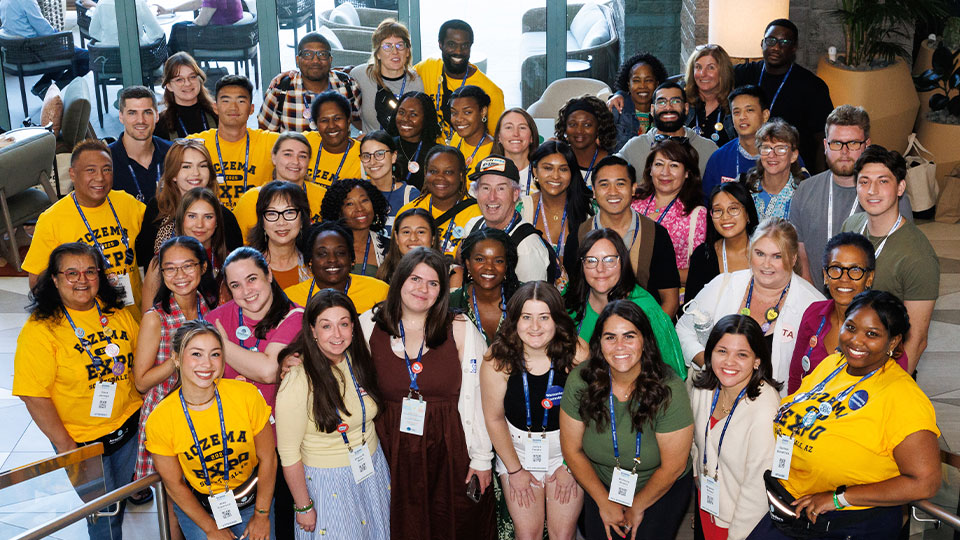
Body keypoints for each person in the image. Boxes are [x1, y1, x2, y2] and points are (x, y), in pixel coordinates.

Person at [756, 290, 940, 539]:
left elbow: (925, 482)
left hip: (848, 522)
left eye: (872, 334)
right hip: (792, 507)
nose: (856, 340)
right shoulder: (832, 365)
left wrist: (839, 498)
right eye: (851, 327)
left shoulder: (904, 397)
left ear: (894, 342)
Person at [360, 247, 496, 539]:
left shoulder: (459, 328)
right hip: (389, 451)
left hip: (449, 449)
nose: (423, 289)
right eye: (415, 279)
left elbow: (480, 397)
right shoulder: (368, 324)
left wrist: (481, 458)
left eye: (433, 283)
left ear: (442, 291)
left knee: (452, 525)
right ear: (399, 282)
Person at [14, 242, 142, 540]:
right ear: (55, 280)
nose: (82, 280)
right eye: (71, 273)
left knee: (118, 501)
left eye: (89, 271)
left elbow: (138, 361)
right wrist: (67, 448)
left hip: (128, 428)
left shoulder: (115, 312)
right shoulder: (40, 330)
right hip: (82, 441)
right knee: (102, 517)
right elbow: (34, 395)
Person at [559, 300, 694, 540]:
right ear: (599, 343)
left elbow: (673, 467)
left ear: (645, 340)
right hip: (601, 484)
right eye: (610, 337)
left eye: (629, 336)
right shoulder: (581, 380)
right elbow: (571, 449)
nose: (619, 346)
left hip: (661, 486)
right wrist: (604, 502)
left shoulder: (668, 388)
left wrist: (638, 506)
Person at [144, 320, 276, 540]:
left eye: (215, 354)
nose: (207, 364)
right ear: (176, 358)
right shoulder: (160, 419)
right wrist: (210, 528)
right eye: (196, 354)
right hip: (200, 509)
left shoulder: (246, 396)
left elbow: (268, 458)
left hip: (253, 502)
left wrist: (262, 515)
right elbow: (174, 484)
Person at [275, 289, 391, 539]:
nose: (337, 335)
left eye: (344, 324)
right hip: (328, 482)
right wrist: (303, 505)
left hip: (372, 469)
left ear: (353, 327)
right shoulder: (297, 378)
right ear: (313, 331)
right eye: (326, 326)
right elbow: (288, 454)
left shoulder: (358, 358)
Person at [208, 246, 304, 537]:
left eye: (252, 279)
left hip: (280, 444)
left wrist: (221, 345)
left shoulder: (295, 316)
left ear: (270, 275)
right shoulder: (216, 318)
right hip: (231, 443)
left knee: (280, 524)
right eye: (236, 285)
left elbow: (267, 371)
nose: (246, 291)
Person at [480, 282, 588, 540]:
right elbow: (494, 418)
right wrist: (515, 471)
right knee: (528, 534)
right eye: (527, 317)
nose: (535, 327)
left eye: (544, 317)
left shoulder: (577, 351)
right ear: (515, 320)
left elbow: (591, 414)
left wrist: (571, 465)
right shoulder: (498, 358)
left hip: (567, 452)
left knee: (563, 534)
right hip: (517, 452)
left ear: (557, 320)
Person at [677, 218, 824, 395]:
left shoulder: (813, 305)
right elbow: (683, 329)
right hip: (716, 396)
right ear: (749, 253)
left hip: (775, 410)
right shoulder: (723, 284)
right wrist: (710, 365)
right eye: (759, 253)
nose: (766, 264)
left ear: (793, 259)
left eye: (777, 256)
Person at [133, 236, 217, 536]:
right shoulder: (156, 317)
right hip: (167, 414)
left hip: (205, 411)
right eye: (170, 269)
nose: (179, 276)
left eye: (188, 266)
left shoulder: (210, 306)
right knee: (174, 491)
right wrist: (178, 358)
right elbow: (141, 381)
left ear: (203, 266)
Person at [792, 105, 913, 291]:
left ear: (867, 145)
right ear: (825, 145)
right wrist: (812, 299)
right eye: (836, 143)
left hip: (870, 305)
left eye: (853, 143)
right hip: (817, 301)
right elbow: (800, 249)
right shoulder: (805, 189)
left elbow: (903, 256)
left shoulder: (890, 195)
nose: (844, 152)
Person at [840, 145, 938, 374]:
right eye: (864, 181)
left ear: (900, 187)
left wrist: (890, 386)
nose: (872, 190)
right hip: (847, 356)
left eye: (883, 181)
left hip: (887, 370)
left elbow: (917, 339)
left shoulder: (918, 255)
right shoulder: (851, 226)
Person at [23, 140, 146, 313]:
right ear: (72, 174)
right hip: (85, 322)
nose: (100, 177)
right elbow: (37, 282)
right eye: (91, 170)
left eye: (107, 169)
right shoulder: (52, 219)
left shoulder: (127, 203)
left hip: (132, 316)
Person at [689, 314, 781, 540]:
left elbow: (758, 487)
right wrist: (697, 475)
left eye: (742, 355)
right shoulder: (703, 386)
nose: (729, 362)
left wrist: (738, 535)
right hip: (706, 505)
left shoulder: (765, 407)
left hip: (740, 522)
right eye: (722, 351)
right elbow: (695, 442)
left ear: (757, 361)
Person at [788, 232, 909, 393]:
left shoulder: (885, 326)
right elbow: (797, 377)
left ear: (869, 278)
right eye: (836, 268)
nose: (844, 278)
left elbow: (895, 393)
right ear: (825, 275)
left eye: (855, 270)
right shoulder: (813, 314)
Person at [565, 229, 686, 379]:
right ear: (581, 265)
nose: (600, 269)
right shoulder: (569, 301)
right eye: (591, 260)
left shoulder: (646, 310)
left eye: (609, 260)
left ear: (623, 262)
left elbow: (673, 376)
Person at [136, 140, 242, 310]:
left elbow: (236, 263)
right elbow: (144, 257)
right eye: (186, 166)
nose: (196, 173)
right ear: (173, 174)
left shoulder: (224, 217)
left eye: (202, 166)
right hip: (165, 304)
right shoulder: (157, 208)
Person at [579, 155, 680, 317]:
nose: (613, 192)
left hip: (646, 328)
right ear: (594, 191)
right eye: (604, 184)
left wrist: (647, 337)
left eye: (620, 184)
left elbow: (670, 301)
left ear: (633, 188)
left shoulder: (656, 235)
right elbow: (574, 298)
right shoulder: (580, 235)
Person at [733, 19, 833, 173]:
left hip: (793, 169)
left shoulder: (813, 87)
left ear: (794, 48)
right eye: (771, 40)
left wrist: (819, 181)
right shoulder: (743, 74)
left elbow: (822, 140)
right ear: (762, 43)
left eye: (784, 42)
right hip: (746, 164)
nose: (776, 47)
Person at [188, 75, 279, 210]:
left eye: (241, 101)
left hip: (257, 222)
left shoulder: (271, 142)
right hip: (210, 222)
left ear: (251, 108)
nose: (233, 108)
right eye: (226, 101)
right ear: (215, 107)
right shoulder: (196, 144)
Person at [463, 154, 551, 283]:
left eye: (501, 188)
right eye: (485, 188)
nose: (492, 197)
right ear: (476, 193)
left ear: (515, 194)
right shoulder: (472, 226)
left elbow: (532, 300)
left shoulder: (526, 249)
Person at [631, 139, 707, 285]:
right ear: (650, 169)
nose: (665, 172)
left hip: (672, 295)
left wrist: (649, 274)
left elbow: (696, 272)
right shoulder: (633, 204)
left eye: (673, 165)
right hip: (630, 294)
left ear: (687, 173)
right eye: (659, 164)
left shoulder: (695, 214)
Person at [415, 19, 505, 142]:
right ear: (440, 44)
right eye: (452, 44)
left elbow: (498, 141)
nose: (458, 51)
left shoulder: (491, 91)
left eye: (464, 45)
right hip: (430, 153)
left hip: (469, 157)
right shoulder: (426, 68)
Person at [519, 141, 595, 282]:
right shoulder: (521, 209)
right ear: (535, 171)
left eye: (563, 169)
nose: (555, 176)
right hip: (532, 296)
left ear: (572, 172)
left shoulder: (590, 209)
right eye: (548, 168)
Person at [260, 32, 361, 132]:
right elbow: (265, 139)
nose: (315, 61)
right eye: (307, 54)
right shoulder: (279, 91)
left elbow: (362, 123)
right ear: (297, 60)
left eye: (322, 54)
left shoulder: (348, 86)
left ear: (330, 60)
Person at [234, 132, 328, 238]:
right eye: (287, 154)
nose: (295, 161)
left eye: (302, 156)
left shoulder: (323, 196)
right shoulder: (251, 199)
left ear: (309, 161)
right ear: (274, 157)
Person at [285, 221, 390, 314]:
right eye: (322, 254)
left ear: (352, 259)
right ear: (310, 260)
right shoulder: (290, 298)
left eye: (340, 253)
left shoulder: (379, 292)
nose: (332, 259)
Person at [617, 82, 717, 179]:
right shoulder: (634, 147)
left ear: (686, 108)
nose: (668, 107)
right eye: (661, 102)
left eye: (675, 101)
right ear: (652, 109)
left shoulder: (708, 150)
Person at [396, 146, 482, 256]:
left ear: (461, 175)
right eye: (433, 171)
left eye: (448, 172)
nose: (440, 177)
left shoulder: (478, 214)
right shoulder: (408, 211)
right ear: (426, 173)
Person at [685, 182, 760, 303]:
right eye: (718, 210)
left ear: (748, 214)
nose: (725, 217)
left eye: (733, 209)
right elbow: (691, 307)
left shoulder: (767, 252)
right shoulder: (702, 256)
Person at [0, 0, 89, 98]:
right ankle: (51, 89)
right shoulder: (26, 1)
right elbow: (44, 30)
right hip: (33, 52)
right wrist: (60, 37)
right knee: (89, 57)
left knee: (68, 52)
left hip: (17, 52)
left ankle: (41, 85)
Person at [349, 18, 425, 133]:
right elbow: (351, 115)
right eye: (387, 46)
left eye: (400, 45)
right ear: (378, 53)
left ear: (408, 52)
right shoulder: (359, 76)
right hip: (372, 148)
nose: (395, 52)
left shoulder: (417, 82)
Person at [450, 228, 520, 345]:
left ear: (507, 265)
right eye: (480, 259)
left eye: (498, 261)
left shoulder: (525, 298)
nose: (489, 267)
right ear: (468, 263)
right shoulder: (452, 302)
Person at [701, 85, 771, 201]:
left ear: (765, 115)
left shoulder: (782, 154)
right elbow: (707, 203)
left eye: (749, 110)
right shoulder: (719, 158)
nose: (742, 117)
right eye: (736, 112)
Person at [108, 86, 171, 203]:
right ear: (121, 117)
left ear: (157, 116)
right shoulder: (106, 161)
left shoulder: (172, 153)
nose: (141, 120)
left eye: (147, 112)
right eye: (132, 113)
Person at [247, 181, 312, 289]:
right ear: (262, 221)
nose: (281, 222)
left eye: (289, 212)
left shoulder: (314, 265)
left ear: (302, 219)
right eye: (272, 213)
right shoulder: (247, 264)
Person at [319, 178, 389, 277]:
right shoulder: (324, 247)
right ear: (338, 212)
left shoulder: (390, 248)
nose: (360, 208)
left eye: (364, 200)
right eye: (350, 204)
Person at [174, 187, 241, 284]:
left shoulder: (231, 261)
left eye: (208, 217)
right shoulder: (162, 259)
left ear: (217, 221)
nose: (199, 225)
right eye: (192, 216)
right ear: (181, 219)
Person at [360, 130, 421, 236]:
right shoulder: (357, 193)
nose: (372, 161)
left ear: (393, 156)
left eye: (379, 154)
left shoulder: (410, 196)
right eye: (366, 156)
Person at [742, 118, 803, 220]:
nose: (772, 155)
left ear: (793, 155)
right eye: (766, 148)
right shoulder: (744, 187)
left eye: (780, 148)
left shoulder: (804, 194)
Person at [609, 53, 669, 151]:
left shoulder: (665, 111)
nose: (642, 86)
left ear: (657, 84)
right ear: (628, 84)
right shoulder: (618, 110)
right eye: (636, 80)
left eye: (648, 80)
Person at [304, 91, 364, 187]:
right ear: (316, 124)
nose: (331, 126)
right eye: (324, 120)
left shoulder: (364, 155)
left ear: (348, 120)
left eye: (337, 119)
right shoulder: (304, 142)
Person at [682, 44, 736, 147]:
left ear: (723, 71)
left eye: (711, 68)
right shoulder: (681, 101)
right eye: (698, 67)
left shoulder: (734, 105)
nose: (703, 73)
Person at [156, 52, 219, 140]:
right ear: (169, 86)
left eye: (192, 77)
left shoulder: (217, 113)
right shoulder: (160, 124)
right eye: (179, 80)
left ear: (199, 80)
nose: (187, 83)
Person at [554, 96, 615, 185]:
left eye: (587, 125)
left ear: (599, 127)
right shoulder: (557, 160)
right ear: (565, 128)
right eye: (572, 124)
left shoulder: (612, 163)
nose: (579, 131)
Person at [391, 91, 442, 191]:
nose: (405, 119)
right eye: (401, 112)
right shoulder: (386, 146)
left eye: (413, 114)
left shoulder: (437, 154)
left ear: (425, 118)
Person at [376, 207, 440, 283]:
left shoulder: (449, 273)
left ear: (433, 238)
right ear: (396, 238)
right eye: (406, 232)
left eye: (421, 232)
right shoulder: (384, 275)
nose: (413, 238)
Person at [492, 108, 541, 195]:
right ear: (499, 136)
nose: (516, 134)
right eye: (508, 127)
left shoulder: (543, 173)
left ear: (532, 137)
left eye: (522, 127)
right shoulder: (486, 173)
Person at [450, 85, 495, 178]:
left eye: (467, 112)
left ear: (483, 111)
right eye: (454, 113)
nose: (458, 119)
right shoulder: (456, 138)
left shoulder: (494, 151)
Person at [89, 0, 163, 46]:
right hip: (138, 58)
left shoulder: (102, 2)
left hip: (108, 59)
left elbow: (93, 32)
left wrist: (110, 40)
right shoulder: (139, 3)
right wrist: (144, 38)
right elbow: (158, 33)